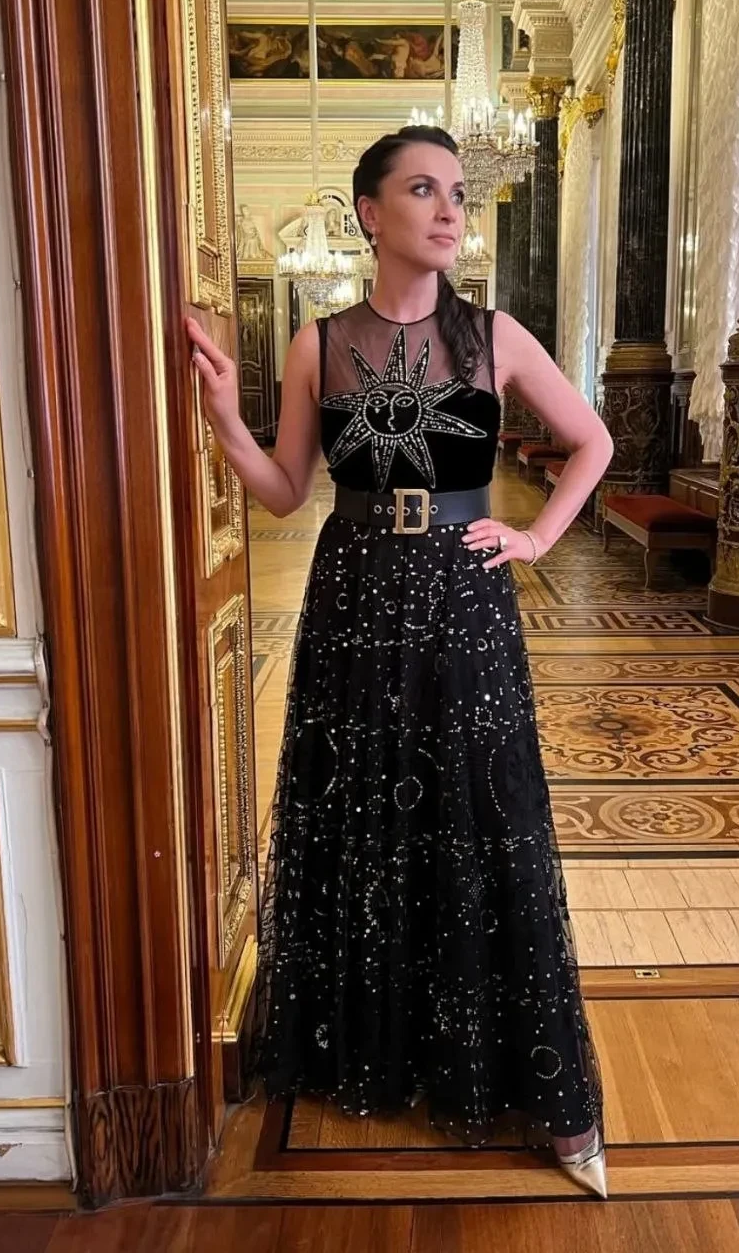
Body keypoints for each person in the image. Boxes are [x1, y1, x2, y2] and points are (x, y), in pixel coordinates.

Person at [187, 125, 614, 1198]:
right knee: (365, 809)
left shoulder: (494, 336)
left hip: (465, 595)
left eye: (456, 191)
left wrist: (535, 536)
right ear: (369, 214)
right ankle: (375, 1048)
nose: (449, 208)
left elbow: (592, 441)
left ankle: (535, 1088)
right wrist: (222, 418)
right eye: (422, 189)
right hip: (354, 596)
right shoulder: (317, 343)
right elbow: (284, 490)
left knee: (481, 810)